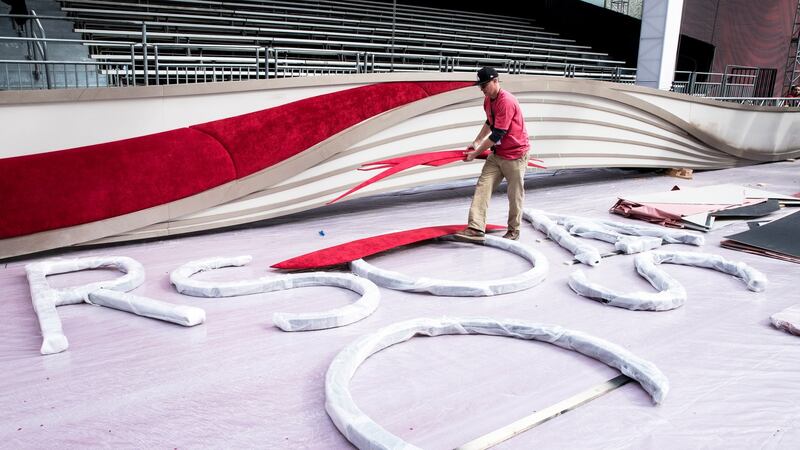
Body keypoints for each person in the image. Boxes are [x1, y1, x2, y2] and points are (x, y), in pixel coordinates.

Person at [454, 67, 530, 243]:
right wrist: (476, 142)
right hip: (497, 155)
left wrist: (475, 154)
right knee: (482, 187)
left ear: (496, 81)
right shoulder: (488, 100)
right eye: (480, 86)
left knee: (515, 195)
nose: (482, 89)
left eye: (484, 85)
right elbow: (490, 122)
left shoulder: (507, 101)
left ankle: (514, 231)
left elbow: (497, 134)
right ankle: (475, 228)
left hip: (515, 155)